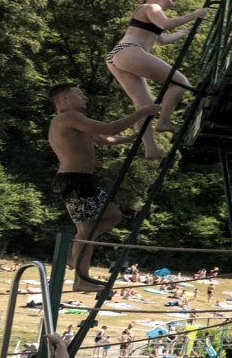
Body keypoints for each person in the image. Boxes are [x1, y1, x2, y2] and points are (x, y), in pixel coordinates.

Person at [48, 83, 161, 292]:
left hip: (81, 181)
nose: (84, 97)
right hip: (74, 181)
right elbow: (110, 127)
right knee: (86, 230)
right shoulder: (68, 117)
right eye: (79, 93)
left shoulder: (74, 122)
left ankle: (78, 248)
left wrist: (126, 139)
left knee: (113, 214)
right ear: (64, 98)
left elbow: (103, 138)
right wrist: (141, 112)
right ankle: (80, 278)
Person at [105, 0, 210, 149]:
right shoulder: (152, 7)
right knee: (180, 82)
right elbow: (165, 25)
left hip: (118, 54)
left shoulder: (148, 11)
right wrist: (194, 14)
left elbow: (161, 40)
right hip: (129, 50)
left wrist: (187, 31)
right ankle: (163, 122)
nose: (173, 4)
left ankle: (151, 149)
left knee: (144, 106)